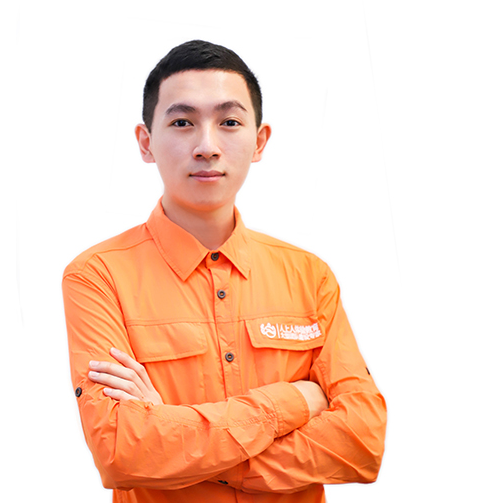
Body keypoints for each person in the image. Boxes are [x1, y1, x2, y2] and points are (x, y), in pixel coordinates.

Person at [62, 39, 387, 503]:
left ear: (259, 141)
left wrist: (178, 446)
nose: (207, 146)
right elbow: (122, 451)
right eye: (182, 122)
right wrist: (295, 401)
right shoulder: (97, 277)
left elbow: (363, 442)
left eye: (229, 122)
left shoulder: (309, 276)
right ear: (146, 142)